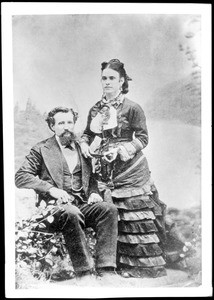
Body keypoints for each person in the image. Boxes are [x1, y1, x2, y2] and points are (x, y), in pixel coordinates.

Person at [80, 59, 168, 278]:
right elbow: (88, 134)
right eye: (104, 78)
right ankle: (116, 266)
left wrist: (121, 150)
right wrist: (83, 143)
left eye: (112, 78)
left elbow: (143, 138)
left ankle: (141, 269)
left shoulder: (132, 108)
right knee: (114, 215)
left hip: (130, 168)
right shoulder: (96, 108)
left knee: (134, 215)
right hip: (105, 168)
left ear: (121, 82)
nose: (107, 82)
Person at [15, 106, 118, 280]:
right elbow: (21, 176)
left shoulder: (82, 149)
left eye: (70, 122)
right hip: (53, 209)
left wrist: (94, 192)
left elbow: (92, 178)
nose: (66, 127)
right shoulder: (41, 149)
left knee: (109, 209)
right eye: (61, 123)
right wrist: (51, 189)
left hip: (81, 205)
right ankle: (84, 272)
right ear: (52, 126)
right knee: (71, 212)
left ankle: (107, 269)